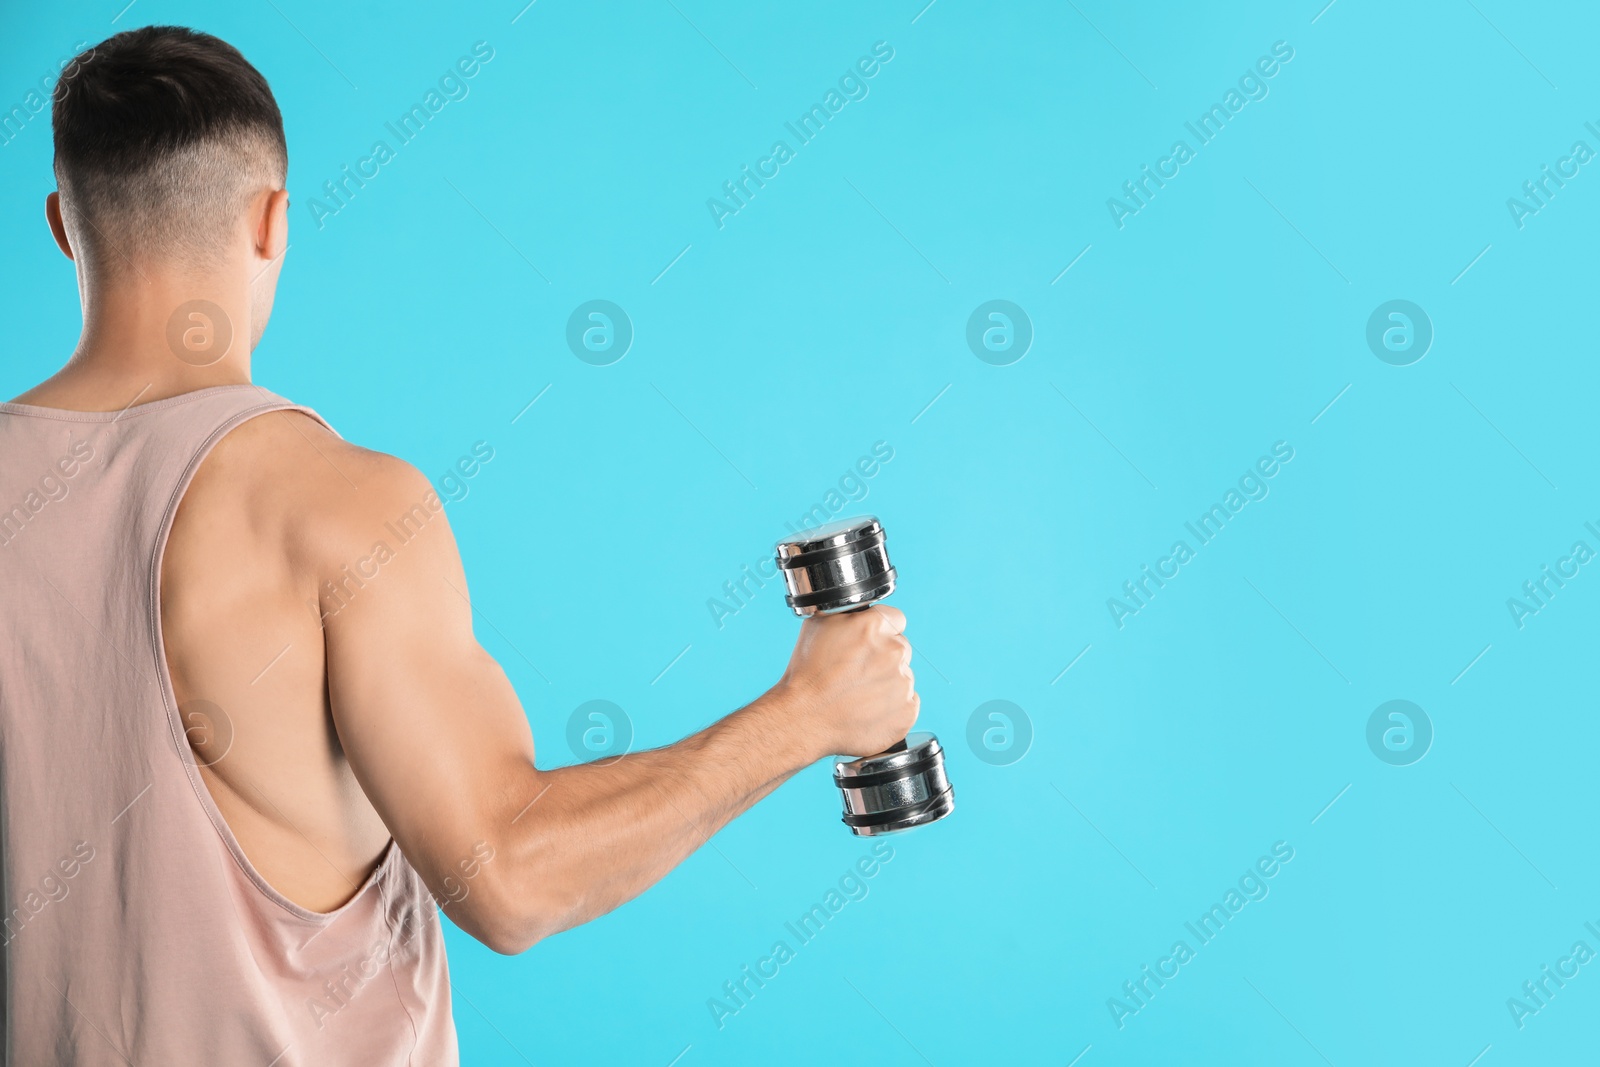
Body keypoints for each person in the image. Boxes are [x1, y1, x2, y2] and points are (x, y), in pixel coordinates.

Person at [0, 25, 919, 1065]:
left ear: (63, 229)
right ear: (273, 221)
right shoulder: (333, 504)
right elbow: (511, 876)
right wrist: (808, 714)